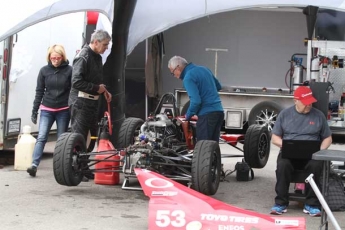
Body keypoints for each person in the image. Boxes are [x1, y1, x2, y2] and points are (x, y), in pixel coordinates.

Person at [270, 86, 332, 216]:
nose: (308, 105)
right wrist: (287, 146)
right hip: (289, 154)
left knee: (315, 165)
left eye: (310, 102)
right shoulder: (285, 115)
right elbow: (275, 138)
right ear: (295, 101)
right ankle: (281, 203)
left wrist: (319, 151)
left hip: (311, 155)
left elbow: (328, 138)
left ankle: (311, 204)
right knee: (283, 164)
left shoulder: (318, 116)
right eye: (305, 102)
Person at [68, 29, 112, 180]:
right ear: (96, 42)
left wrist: (103, 90)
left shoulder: (97, 57)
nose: (106, 48)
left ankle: (84, 166)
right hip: (80, 102)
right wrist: (96, 89)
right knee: (79, 137)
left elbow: (95, 80)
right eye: (105, 45)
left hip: (92, 102)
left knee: (92, 136)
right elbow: (76, 81)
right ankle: (75, 168)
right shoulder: (83, 57)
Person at [27, 44, 72, 177]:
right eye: (53, 58)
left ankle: (59, 167)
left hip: (63, 109)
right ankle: (34, 165)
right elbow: (39, 91)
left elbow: (73, 91)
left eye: (58, 58)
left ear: (63, 57)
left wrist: (73, 108)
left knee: (60, 139)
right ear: (49, 57)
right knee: (41, 137)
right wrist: (34, 111)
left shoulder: (69, 70)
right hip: (47, 108)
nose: (55, 60)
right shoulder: (44, 71)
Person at [168, 56, 224, 142]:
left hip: (206, 115)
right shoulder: (205, 69)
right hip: (219, 111)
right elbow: (218, 86)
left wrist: (187, 116)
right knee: (212, 146)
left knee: (203, 149)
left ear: (178, 67)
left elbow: (196, 102)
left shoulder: (188, 77)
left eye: (173, 72)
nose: (174, 76)